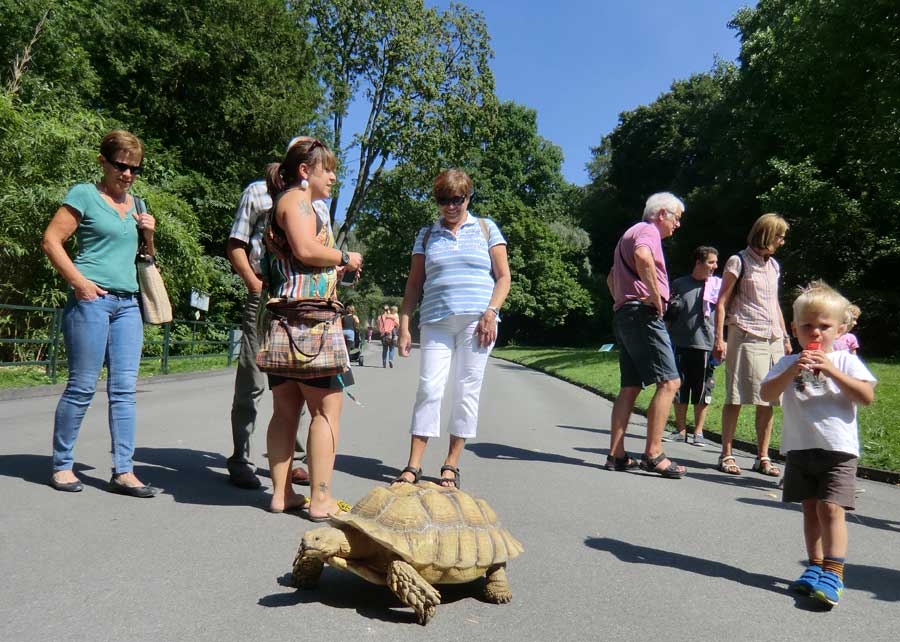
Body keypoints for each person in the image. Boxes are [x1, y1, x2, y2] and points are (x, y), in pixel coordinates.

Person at [42, 129, 159, 497]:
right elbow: (51, 240)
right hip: (91, 301)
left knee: (124, 391)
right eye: (120, 166)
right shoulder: (84, 195)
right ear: (103, 162)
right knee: (82, 386)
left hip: (128, 305)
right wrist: (80, 283)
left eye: (134, 169)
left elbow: (146, 259)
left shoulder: (137, 204)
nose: (127, 175)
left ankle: (123, 471)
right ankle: (63, 464)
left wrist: (150, 234)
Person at [260, 138, 363, 517]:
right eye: (328, 169)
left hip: (285, 321)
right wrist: (345, 257)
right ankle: (321, 498)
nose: (334, 176)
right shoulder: (298, 200)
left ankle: (281, 493)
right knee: (325, 413)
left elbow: (297, 260)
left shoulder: (286, 203)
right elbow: (305, 249)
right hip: (313, 325)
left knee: (285, 411)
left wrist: (332, 268)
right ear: (305, 172)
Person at [391, 169, 510, 488]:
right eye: (443, 200)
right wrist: (404, 324)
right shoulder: (427, 234)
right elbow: (414, 285)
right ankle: (414, 464)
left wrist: (491, 311)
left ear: (468, 197)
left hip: (478, 322)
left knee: (466, 390)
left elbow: (503, 277)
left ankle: (451, 464)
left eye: (456, 200)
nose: (450, 206)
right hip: (436, 320)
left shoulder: (486, 228)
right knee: (429, 388)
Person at [760, 281, 876, 607]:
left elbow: (865, 396)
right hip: (800, 447)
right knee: (810, 509)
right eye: (807, 326)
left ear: (839, 329)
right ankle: (814, 566)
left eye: (823, 327)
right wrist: (793, 368)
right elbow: (767, 395)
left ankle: (834, 572)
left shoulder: (845, 362)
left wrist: (831, 371)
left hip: (838, 450)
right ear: (794, 328)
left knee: (831, 508)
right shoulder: (786, 363)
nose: (815, 333)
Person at [225, 139, 327, 489]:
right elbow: (236, 244)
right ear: (300, 165)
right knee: (252, 379)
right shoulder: (257, 192)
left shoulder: (319, 206)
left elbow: (316, 253)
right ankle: (242, 458)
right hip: (266, 296)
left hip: (303, 305)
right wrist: (254, 284)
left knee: (298, 384)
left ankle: (292, 461)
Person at [605, 192, 686, 478]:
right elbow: (642, 256)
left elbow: (611, 276)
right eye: (676, 218)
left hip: (625, 313)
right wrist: (655, 297)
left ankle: (616, 455)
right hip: (642, 314)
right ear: (661, 213)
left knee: (631, 386)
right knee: (670, 381)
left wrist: (623, 300)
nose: (677, 225)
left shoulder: (628, 233)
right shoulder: (648, 231)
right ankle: (654, 453)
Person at [712, 213, 791, 477]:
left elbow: (774, 303)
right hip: (745, 334)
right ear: (766, 235)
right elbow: (721, 302)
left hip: (773, 338)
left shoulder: (774, 266)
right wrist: (719, 338)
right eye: (779, 236)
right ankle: (726, 453)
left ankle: (763, 457)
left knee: (768, 399)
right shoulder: (738, 261)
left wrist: (785, 336)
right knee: (736, 396)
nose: (781, 241)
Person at [663, 246, 720, 446]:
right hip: (679, 342)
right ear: (698, 262)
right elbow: (668, 312)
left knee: (703, 390)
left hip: (705, 344)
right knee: (679, 389)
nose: (715, 266)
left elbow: (723, 314)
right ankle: (680, 430)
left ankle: (698, 432)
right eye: (711, 262)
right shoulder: (679, 284)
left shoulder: (716, 286)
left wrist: (722, 340)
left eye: (715, 262)